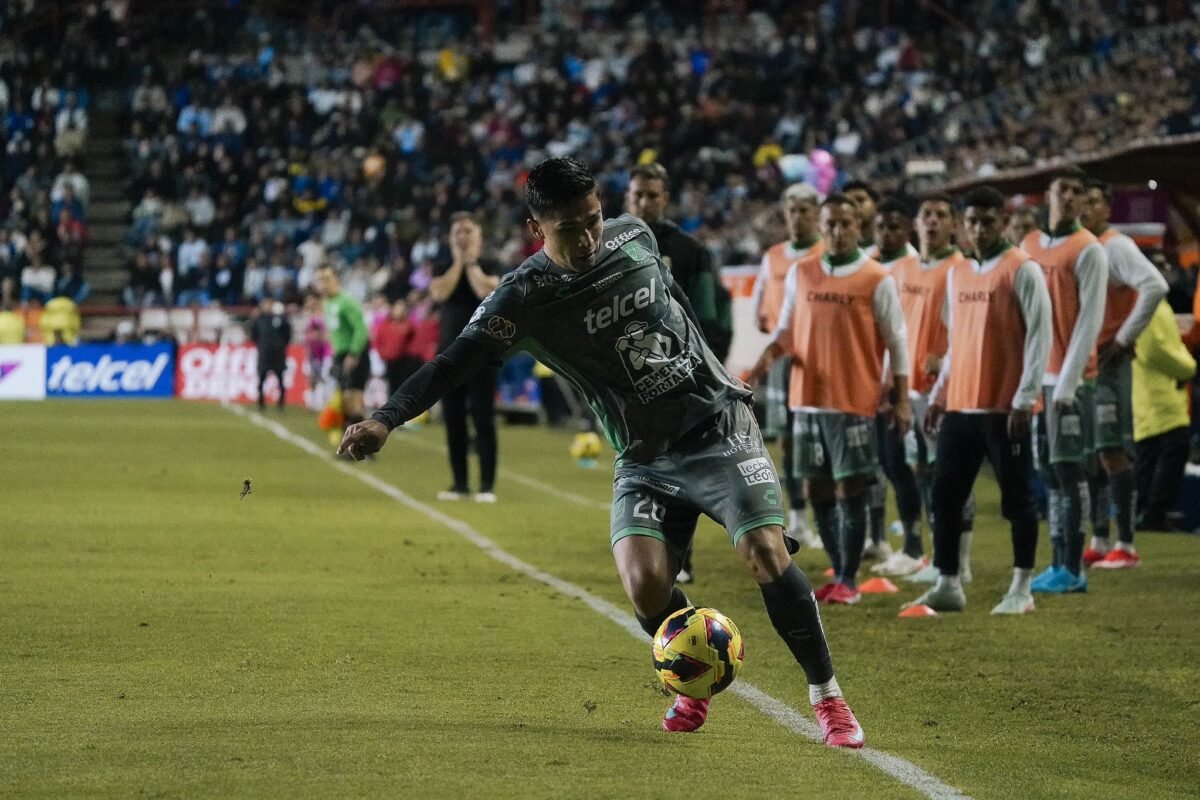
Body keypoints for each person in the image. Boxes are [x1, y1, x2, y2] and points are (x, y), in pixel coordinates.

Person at [338, 157, 865, 747]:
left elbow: (677, 308)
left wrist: (710, 372)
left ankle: (829, 699)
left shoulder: (634, 235)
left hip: (719, 429)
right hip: (643, 458)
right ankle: (693, 682)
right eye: (571, 228)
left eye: (594, 218)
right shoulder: (523, 298)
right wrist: (385, 419)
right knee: (645, 587)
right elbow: (451, 364)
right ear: (539, 229)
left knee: (765, 551)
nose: (590, 236)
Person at [749, 193, 911, 606]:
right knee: (816, 488)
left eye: (846, 224)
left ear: (859, 226)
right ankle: (839, 572)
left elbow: (897, 341)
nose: (838, 231)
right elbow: (786, 331)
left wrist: (902, 398)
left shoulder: (876, 277)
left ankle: (848, 579)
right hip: (806, 399)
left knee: (850, 489)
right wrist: (758, 368)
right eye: (831, 224)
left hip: (852, 401)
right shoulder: (802, 273)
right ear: (823, 227)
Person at [902, 186, 1052, 615]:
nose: (980, 228)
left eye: (988, 221)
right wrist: (941, 392)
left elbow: (1041, 337)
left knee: (1017, 498)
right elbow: (956, 341)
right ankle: (949, 584)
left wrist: (1025, 399)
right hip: (960, 405)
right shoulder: (959, 272)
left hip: (1006, 408)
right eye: (973, 222)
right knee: (945, 495)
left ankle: (1022, 588)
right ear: (964, 226)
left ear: (1002, 222)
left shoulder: (1022, 269)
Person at [626, 162, 734, 579]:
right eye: (638, 194)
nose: (644, 201)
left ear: (665, 198)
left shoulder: (691, 251)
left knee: (682, 467)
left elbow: (709, 317)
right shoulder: (609, 246)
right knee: (640, 468)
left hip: (682, 378)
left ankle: (680, 557)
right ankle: (646, 554)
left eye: (652, 194)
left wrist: (700, 370)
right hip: (632, 378)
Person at [877, 194, 975, 580]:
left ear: (953, 225)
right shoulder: (901, 269)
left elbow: (969, 329)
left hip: (943, 390)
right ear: (916, 224)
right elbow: (894, 332)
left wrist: (946, 357)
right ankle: (933, 557)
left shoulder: (960, 268)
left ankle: (959, 563)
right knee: (919, 470)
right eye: (926, 215)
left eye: (941, 216)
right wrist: (889, 378)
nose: (932, 222)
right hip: (910, 389)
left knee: (949, 475)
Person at [1021, 166, 1108, 594]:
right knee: (1049, 471)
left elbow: (1089, 319)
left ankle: (1073, 567)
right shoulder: (1030, 245)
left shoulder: (1089, 249)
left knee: (1070, 470)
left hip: (1070, 381)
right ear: (1048, 195)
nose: (1070, 197)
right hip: (1039, 377)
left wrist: (1070, 380)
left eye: (1078, 190)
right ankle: (1057, 561)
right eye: (1063, 189)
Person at [1079, 179, 1168, 568]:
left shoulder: (1115, 245)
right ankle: (1099, 538)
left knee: (1113, 451)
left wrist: (1122, 337)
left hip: (1109, 365)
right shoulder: (1082, 246)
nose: (1083, 207)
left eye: (1093, 201)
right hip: (1087, 365)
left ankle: (1127, 544)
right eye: (1079, 200)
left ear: (1107, 208)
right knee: (1095, 454)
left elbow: (1155, 285)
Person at [750, 182, 824, 552]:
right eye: (792, 210)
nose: (797, 217)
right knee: (788, 442)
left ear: (817, 213)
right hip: (784, 361)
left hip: (820, 360)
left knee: (820, 439)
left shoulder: (825, 255)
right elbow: (760, 305)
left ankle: (827, 513)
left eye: (804, 210)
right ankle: (798, 515)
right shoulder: (774, 256)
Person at [428, 212, 504, 502]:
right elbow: (439, 293)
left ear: (479, 236)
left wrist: (470, 262)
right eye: (457, 232)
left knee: (483, 418)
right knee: (453, 419)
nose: (462, 237)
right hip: (450, 353)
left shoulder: (491, 263)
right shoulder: (443, 265)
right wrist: (459, 262)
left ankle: (486, 486)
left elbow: (486, 290)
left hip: (484, 351)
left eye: (468, 232)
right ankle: (459, 484)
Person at [867, 197, 926, 565]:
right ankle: (883, 540)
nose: (886, 234)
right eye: (881, 227)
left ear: (908, 229)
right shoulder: (867, 265)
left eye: (894, 227)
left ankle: (916, 546)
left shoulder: (917, 267)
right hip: (869, 384)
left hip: (910, 384)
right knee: (882, 465)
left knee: (905, 466)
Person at [1132, 299, 1195, 532]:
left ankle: (1143, 513)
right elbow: (1155, 349)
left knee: (1149, 457)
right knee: (1171, 451)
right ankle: (1153, 515)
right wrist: (1187, 367)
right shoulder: (1152, 305)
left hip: (1150, 394)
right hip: (1161, 393)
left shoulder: (1146, 303)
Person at [315, 265, 370, 437]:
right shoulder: (328, 303)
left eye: (327, 279)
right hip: (340, 354)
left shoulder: (346, 301)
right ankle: (351, 444)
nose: (324, 284)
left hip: (353, 354)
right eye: (320, 280)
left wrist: (353, 354)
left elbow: (360, 329)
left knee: (353, 400)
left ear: (336, 279)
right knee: (345, 401)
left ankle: (364, 446)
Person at [249, 298, 292, 411]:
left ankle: (281, 403)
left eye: (269, 305)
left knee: (280, 378)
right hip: (264, 352)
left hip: (278, 353)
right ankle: (261, 402)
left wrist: (281, 344)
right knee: (261, 378)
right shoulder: (259, 320)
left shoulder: (281, 319)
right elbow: (254, 334)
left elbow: (287, 333)